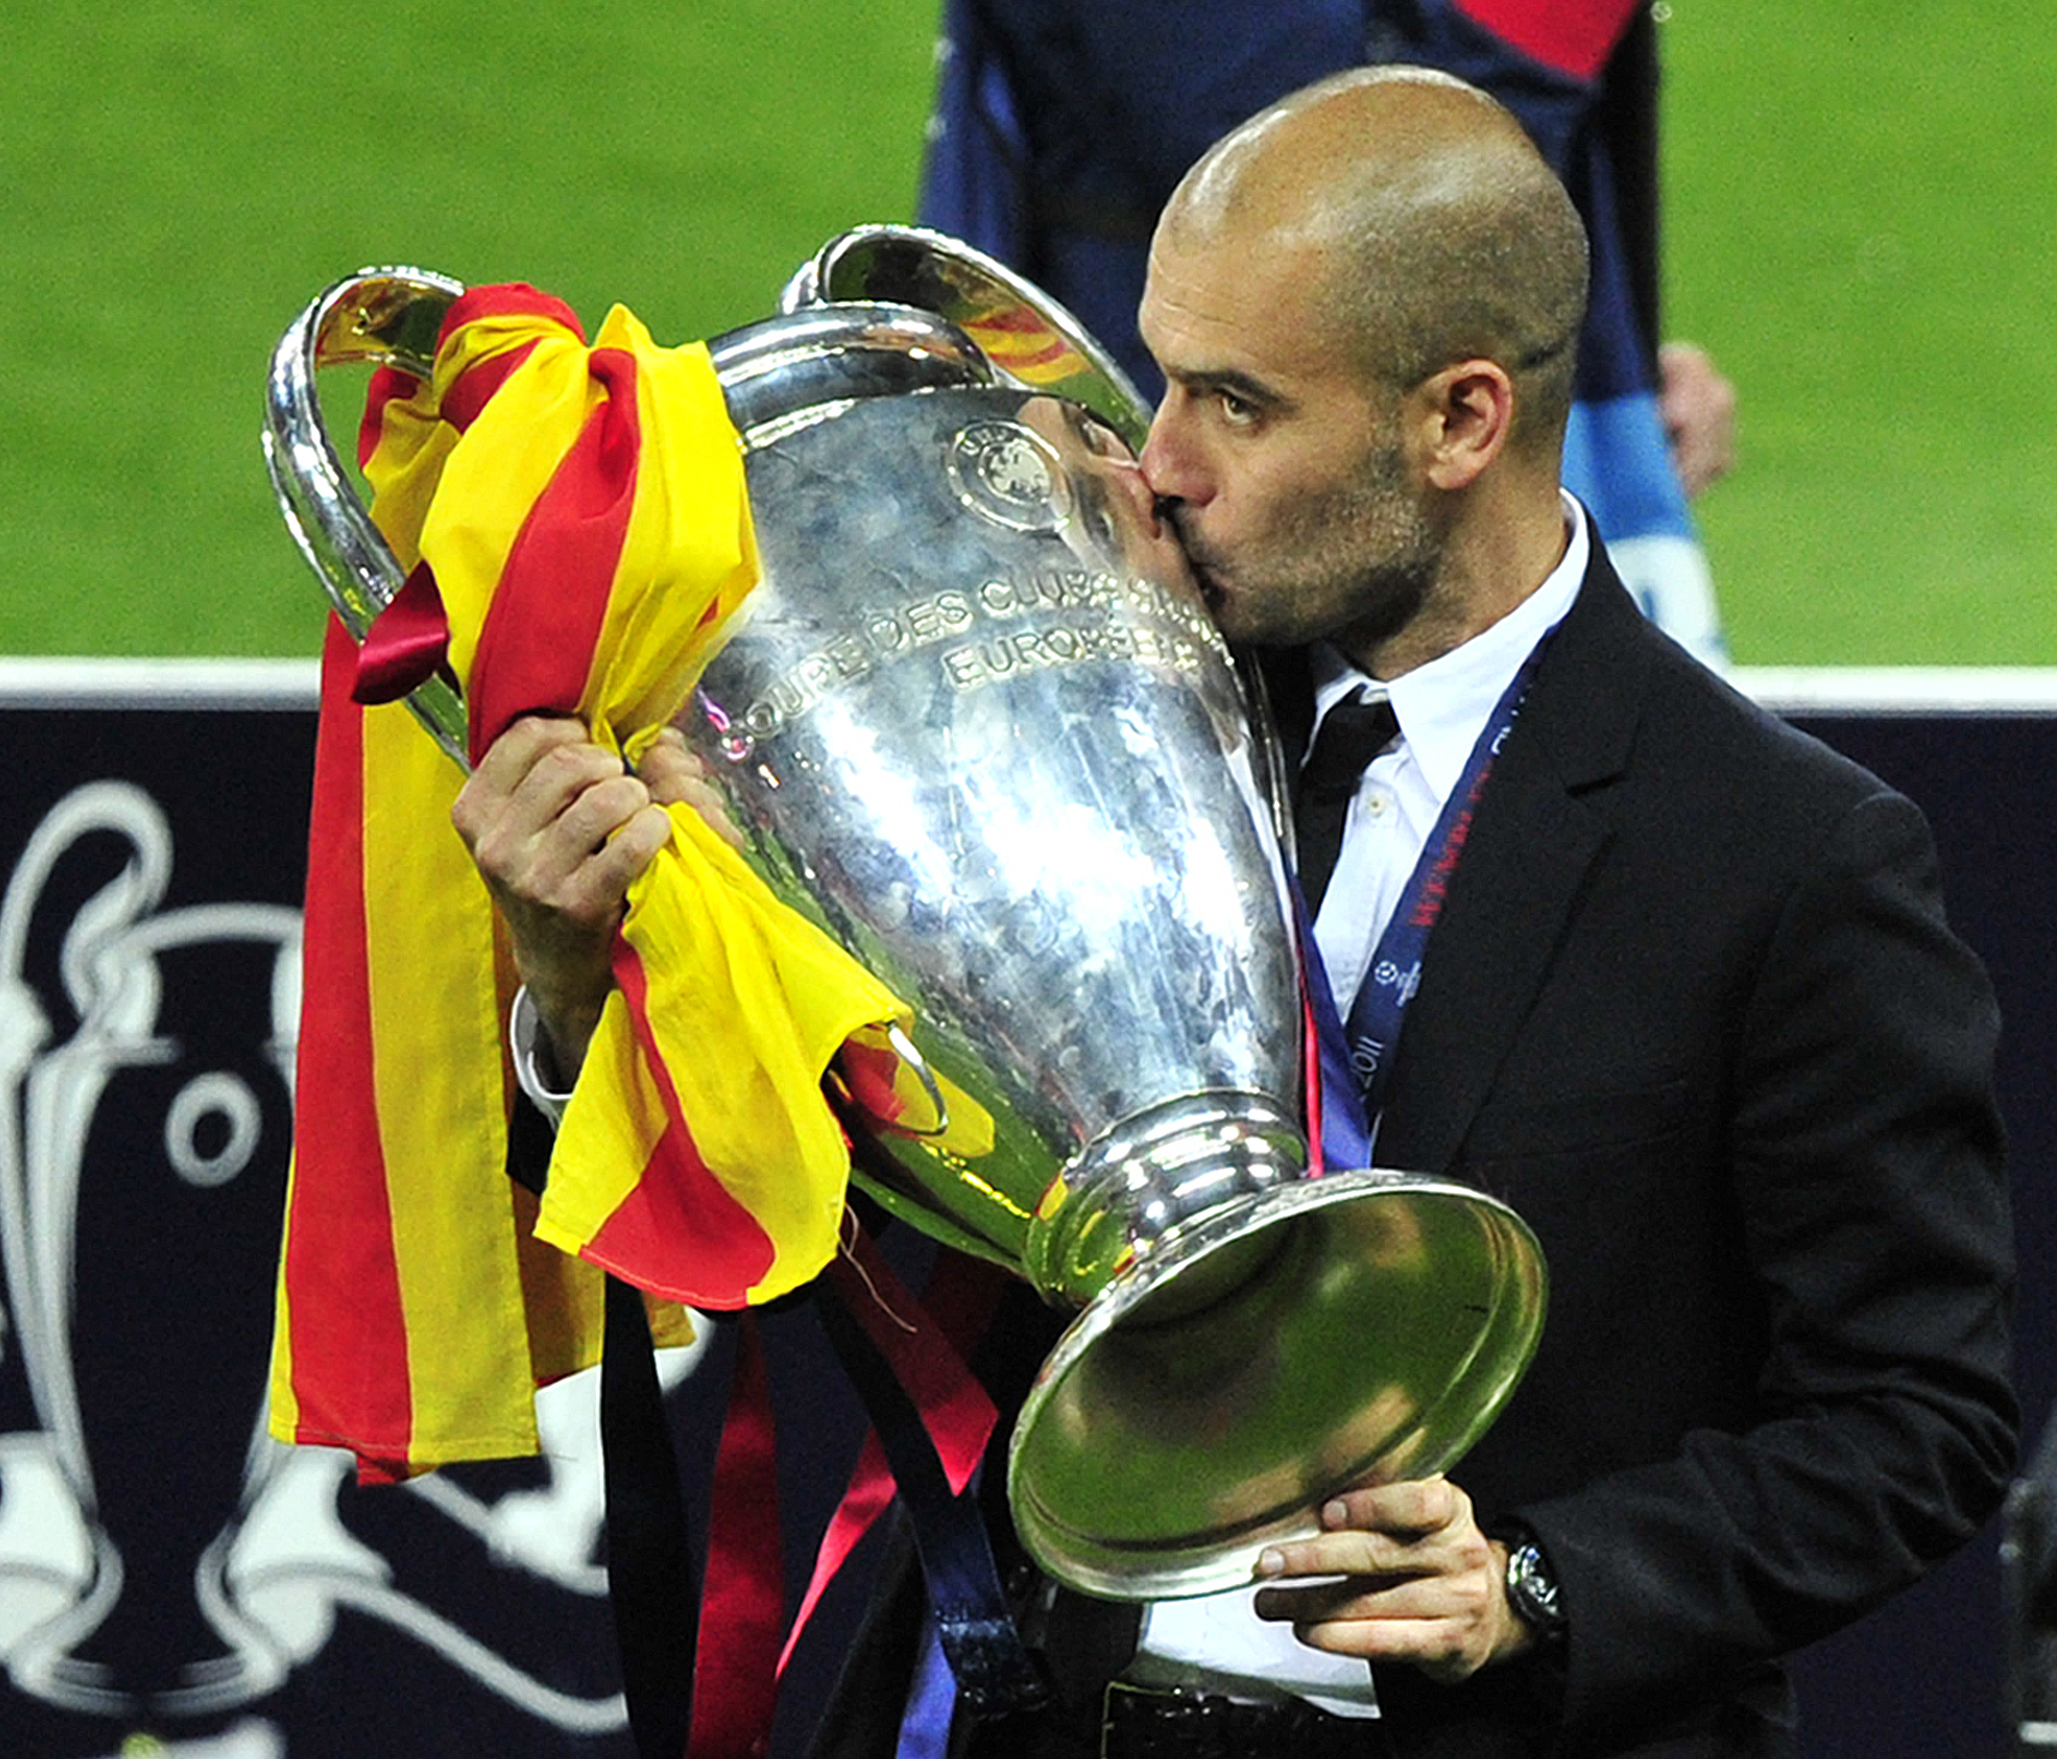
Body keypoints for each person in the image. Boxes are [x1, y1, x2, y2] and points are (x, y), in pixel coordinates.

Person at [454, 68, 2015, 1759]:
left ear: (1460, 420)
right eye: (1164, 372)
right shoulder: (1069, 684)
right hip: (1031, 1711)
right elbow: (803, 1199)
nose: (1158, 459)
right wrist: (572, 987)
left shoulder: (1781, 852)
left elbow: (1912, 1416)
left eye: (1240, 405)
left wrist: (1535, 1581)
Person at [918, 0, 1736, 669]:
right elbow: (1339, 168)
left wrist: (1598, 351)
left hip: (1454, 424)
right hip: (1201, 454)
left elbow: (1518, 179)